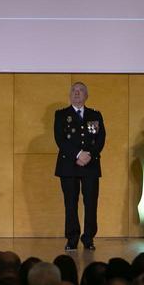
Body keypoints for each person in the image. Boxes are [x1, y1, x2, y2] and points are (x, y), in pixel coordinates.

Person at [54, 82, 106, 251]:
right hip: (69, 165)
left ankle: (89, 238)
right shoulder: (61, 115)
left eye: (81, 91)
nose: (77, 93)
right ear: (70, 95)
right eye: (74, 91)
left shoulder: (95, 115)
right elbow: (60, 139)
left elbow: (100, 139)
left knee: (91, 203)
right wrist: (77, 155)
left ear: (86, 96)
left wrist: (88, 155)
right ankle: (72, 238)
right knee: (70, 203)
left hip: (90, 165)